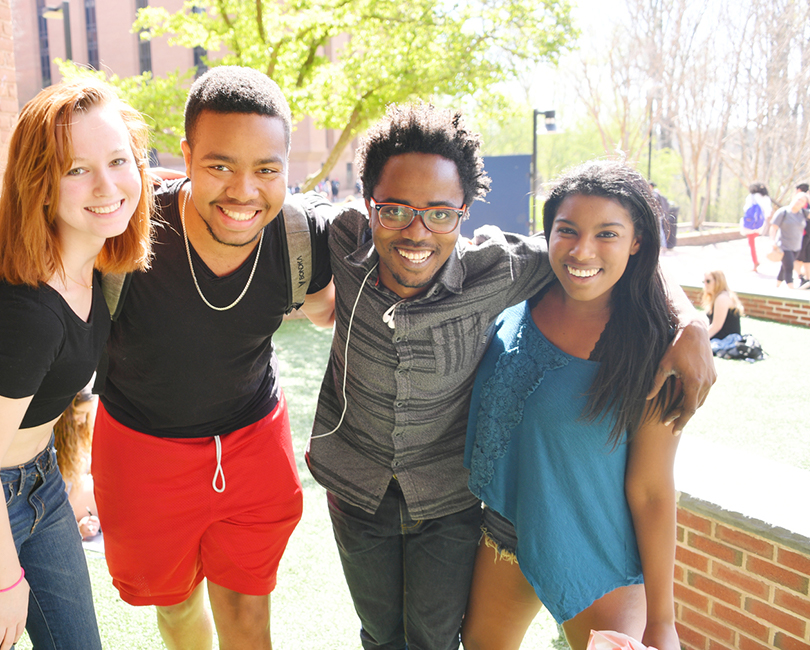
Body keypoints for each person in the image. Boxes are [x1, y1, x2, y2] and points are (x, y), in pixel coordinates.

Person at [0, 66, 336, 650]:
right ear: (188, 157)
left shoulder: (300, 236)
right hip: (144, 453)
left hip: (252, 442)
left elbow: (340, 300)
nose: (244, 191)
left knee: (248, 615)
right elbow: (40, 256)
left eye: (266, 169)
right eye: (219, 166)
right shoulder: (127, 226)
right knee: (174, 612)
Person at [306, 105, 716, 650]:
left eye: (440, 213)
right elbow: (592, 247)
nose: (417, 229)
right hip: (427, 511)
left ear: (465, 211)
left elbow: (607, 249)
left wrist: (690, 322)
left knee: (434, 637)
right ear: (369, 205)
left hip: (521, 527)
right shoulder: (348, 241)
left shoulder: (522, 281)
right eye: (396, 209)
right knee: (399, 637)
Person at [0, 78, 153, 650]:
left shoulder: (92, 257)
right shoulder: (30, 312)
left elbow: (150, 187)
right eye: (76, 170)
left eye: (119, 160)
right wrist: (7, 579)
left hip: (38, 484)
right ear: (41, 184)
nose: (107, 184)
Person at [462, 160, 683, 650]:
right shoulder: (521, 290)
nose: (583, 250)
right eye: (568, 230)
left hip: (597, 552)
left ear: (637, 241)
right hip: (504, 533)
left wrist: (663, 621)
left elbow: (652, 491)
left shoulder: (656, 351)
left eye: (607, 233)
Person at [52, 389, 101, 539]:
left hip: (77, 507)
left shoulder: (78, 437)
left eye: (86, 414)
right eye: (79, 413)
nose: (83, 421)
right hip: (64, 505)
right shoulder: (54, 443)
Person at [768, 192, 810, 289]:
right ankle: (792, 289)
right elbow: (773, 227)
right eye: (798, 199)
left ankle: (776, 286)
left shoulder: (803, 213)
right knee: (789, 267)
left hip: (796, 246)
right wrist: (772, 240)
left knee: (784, 267)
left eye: (802, 201)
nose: (799, 202)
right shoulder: (783, 212)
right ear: (793, 198)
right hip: (783, 245)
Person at [701, 269, 743, 340]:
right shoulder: (718, 297)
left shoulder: (722, 298)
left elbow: (716, 326)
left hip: (727, 341)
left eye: (708, 281)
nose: (705, 284)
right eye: (704, 282)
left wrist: (701, 339)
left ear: (718, 281)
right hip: (721, 339)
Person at [741, 183, 771, 272]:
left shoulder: (751, 197)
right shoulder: (766, 198)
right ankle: (756, 261)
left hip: (750, 223)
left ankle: (755, 261)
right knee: (755, 242)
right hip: (761, 223)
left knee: (752, 244)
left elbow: (746, 209)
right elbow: (768, 211)